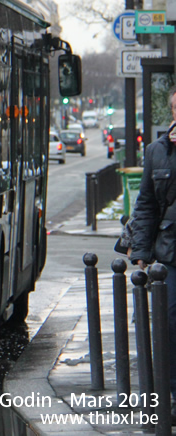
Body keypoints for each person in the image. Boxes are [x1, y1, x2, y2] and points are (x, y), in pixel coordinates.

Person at [128, 84, 176, 412]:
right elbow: (146, 205)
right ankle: (171, 393)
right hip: (170, 252)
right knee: (169, 321)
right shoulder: (158, 151)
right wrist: (141, 253)